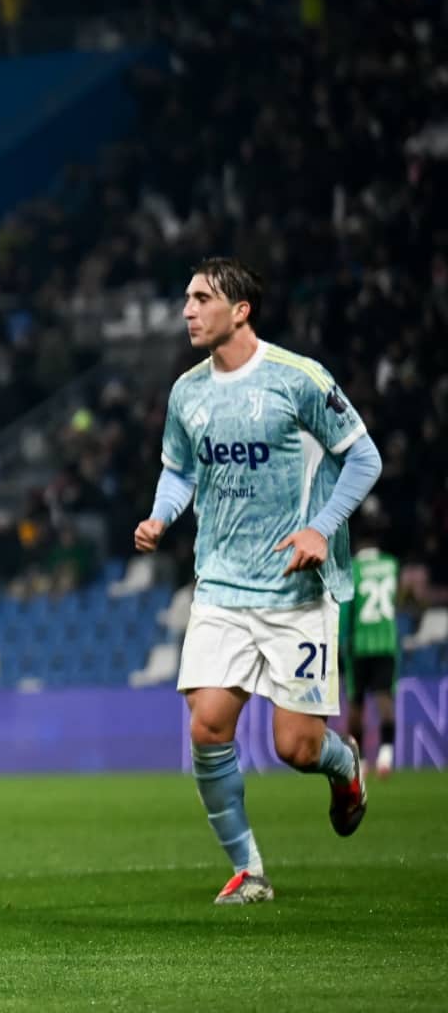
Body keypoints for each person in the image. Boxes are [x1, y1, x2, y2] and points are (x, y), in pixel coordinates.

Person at [134, 258, 382, 904]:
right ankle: (250, 870)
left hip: (295, 593)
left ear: (240, 310)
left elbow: (364, 456)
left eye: (201, 298)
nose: (187, 309)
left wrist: (321, 528)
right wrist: (161, 516)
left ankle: (343, 763)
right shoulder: (187, 391)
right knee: (207, 725)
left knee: (296, 747)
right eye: (185, 298)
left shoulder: (298, 380)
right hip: (219, 586)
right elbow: (178, 470)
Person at [341, 541, 401, 777]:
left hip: (359, 647)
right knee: (385, 699)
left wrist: (340, 639)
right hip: (386, 644)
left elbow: (346, 611)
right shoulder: (391, 564)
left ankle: (362, 761)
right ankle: (386, 757)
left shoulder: (353, 568)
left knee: (356, 705)